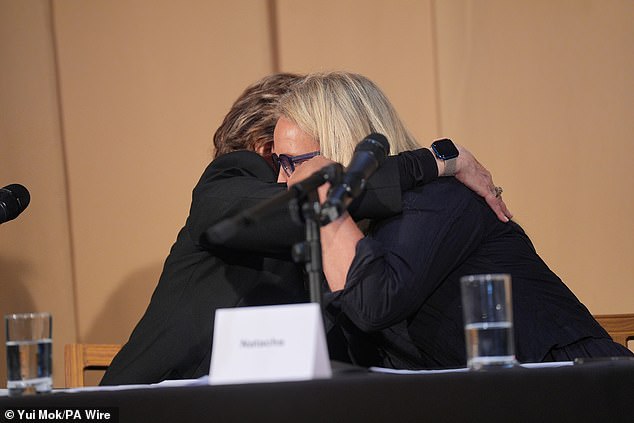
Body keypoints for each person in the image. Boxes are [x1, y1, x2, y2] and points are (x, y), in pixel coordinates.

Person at [101, 72, 510, 385]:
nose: (285, 175)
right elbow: (315, 196)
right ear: (267, 147)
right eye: (285, 158)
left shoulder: (344, 227)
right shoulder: (229, 180)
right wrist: (434, 162)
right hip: (149, 402)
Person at [275, 71, 633, 368]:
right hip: (505, 400)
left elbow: (370, 305)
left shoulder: (436, 200)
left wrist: (324, 193)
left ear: (339, 148)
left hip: (578, 389)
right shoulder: (358, 229)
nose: (281, 180)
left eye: (294, 163)